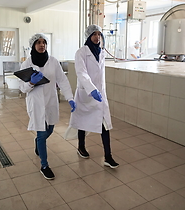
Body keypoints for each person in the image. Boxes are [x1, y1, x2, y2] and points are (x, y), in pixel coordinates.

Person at [19, 33, 76, 180]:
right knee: (42, 134)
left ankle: (38, 142)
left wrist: (70, 97)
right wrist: (31, 82)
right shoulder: (27, 64)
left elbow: (62, 80)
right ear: (33, 45)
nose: (41, 45)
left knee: (50, 129)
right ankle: (44, 165)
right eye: (38, 42)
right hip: (36, 103)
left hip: (50, 101)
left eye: (44, 42)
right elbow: (22, 88)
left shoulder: (53, 61)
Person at [69, 24, 119, 168]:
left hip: (100, 94)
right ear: (89, 36)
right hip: (86, 93)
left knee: (104, 124)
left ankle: (108, 156)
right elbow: (81, 73)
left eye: (99, 34)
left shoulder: (101, 52)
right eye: (94, 34)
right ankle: (81, 146)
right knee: (82, 122)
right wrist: (91, 89)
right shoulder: (81, 52)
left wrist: (99, 90)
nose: (97, 37)